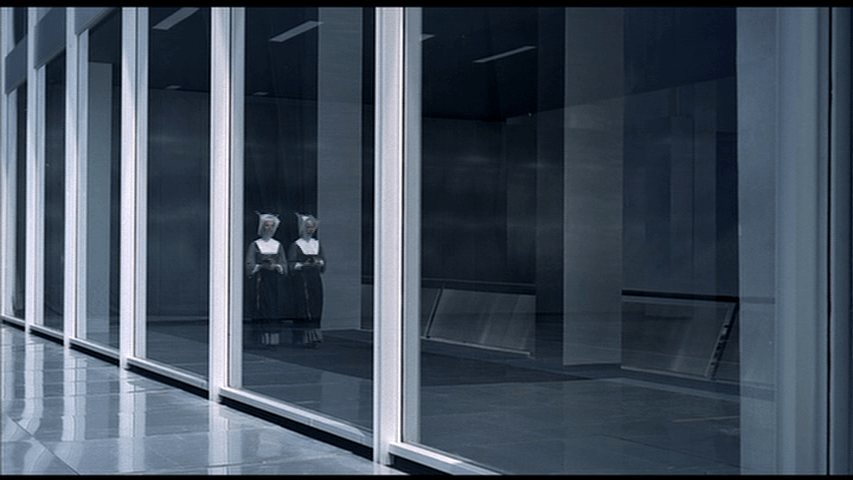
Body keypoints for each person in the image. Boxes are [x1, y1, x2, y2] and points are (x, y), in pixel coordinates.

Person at [245, 212, 288, 347]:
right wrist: (260, 266)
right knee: (261, 307)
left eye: (272, 226)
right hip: (260, 280)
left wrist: (277, 266)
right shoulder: (255, 245)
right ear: (262, 227)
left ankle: (272, 340)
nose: (269, 228)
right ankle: (260, 339)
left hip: (274, 281)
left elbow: (284, 264)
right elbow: (249, 264)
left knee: (273, 307)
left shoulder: (278, 245)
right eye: (267, 225)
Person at [288, 213, 325, 348]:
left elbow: (323, 261)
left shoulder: (316, 244)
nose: (310, 229)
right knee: (303, 306)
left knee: (316, 304)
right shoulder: (296, 245)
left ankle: (315, 336)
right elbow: (291, 263)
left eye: (312, 227)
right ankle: (302, 337)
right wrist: (302, 265)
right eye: (308, 227)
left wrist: (319, 263)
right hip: (302, 280)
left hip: (315, 279)